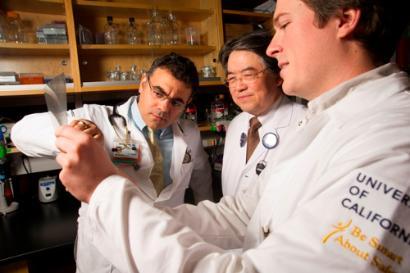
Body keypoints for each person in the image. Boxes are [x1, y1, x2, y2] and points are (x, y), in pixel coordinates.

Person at [54, 0, 410, 272]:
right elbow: (242, 214)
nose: (272, 48)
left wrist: (106, 193)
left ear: (345, 19)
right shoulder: (322, 121)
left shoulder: (393, 137)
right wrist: (128, 205)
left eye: (284, 24)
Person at [11, 53, 213, 273]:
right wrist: (79, 137)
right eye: (158, 93)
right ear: (143, 83)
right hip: (109, 254)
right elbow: (21, 133)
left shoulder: (190, 132)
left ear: (187, 103)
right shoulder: (98, 118)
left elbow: (201, 176)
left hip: (163, 247)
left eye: (176, 102)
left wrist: (208, 227)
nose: (164, 108)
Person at [218, 30, 305, 196]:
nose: (238, 87)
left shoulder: (305, 124)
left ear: (278, 76)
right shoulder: (237, 123)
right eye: (232, 78)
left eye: (248, 75)